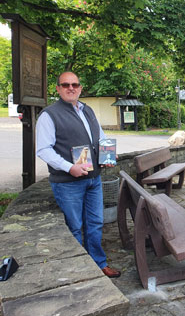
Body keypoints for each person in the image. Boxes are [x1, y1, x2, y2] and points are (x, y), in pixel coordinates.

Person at [36, 71, 121, 278]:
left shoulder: (87, 109)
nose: (70, 88)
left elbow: (100, 136)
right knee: (75, 227)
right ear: (57, 89)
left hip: (93, 179)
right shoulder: (49, 115)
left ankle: (98, 264)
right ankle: (79, 272)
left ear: (80, 88)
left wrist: (107, 156)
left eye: (75, 84)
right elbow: (43, 149)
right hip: (68, 183)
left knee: (95, 224)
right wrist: (69, 167)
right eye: (65, 85)